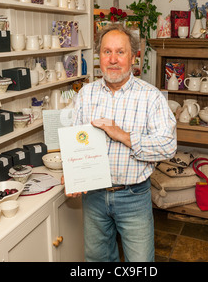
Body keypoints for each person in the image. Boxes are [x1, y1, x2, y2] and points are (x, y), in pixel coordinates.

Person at [65, 23, 177, 262]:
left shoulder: (151, 97)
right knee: (97, 259)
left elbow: (167, 145)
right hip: (93, 196)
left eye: (120, 52)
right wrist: (72, 172)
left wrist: (123, 135)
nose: (113, 59)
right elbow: (76, 139)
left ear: (133, 57)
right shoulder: (86, 94)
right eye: (107, 52)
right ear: (99, 57)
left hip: (133, 196)